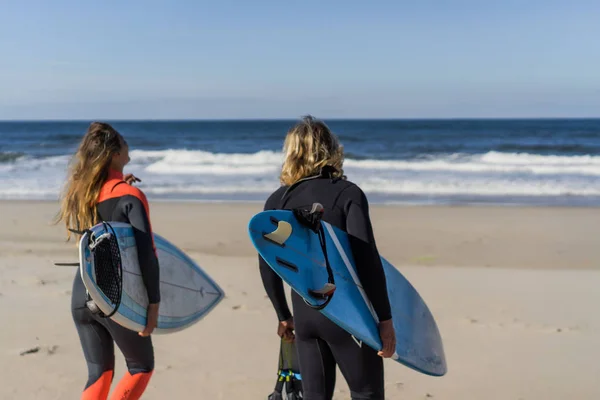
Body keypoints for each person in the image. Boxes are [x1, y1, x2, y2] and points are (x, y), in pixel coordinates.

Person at [259, 115, 396, 400]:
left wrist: (283, 315)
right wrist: (385, 319)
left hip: (306, 317)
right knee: (366, 394)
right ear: (331, 149)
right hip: (349, 316)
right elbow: (366, 258)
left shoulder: (276, 201)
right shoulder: (347, 194)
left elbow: (268, 264)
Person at [55, 122, 160, 400]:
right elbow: (146, 254)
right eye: (125, 145)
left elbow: (106, 219)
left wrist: (121, 184)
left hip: (82, 291)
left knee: (99, 372)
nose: (129, 149)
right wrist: (153, 304)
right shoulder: (131, 197)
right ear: (115, 153)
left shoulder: (81, 195)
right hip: (114, 296)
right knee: (140, 367)